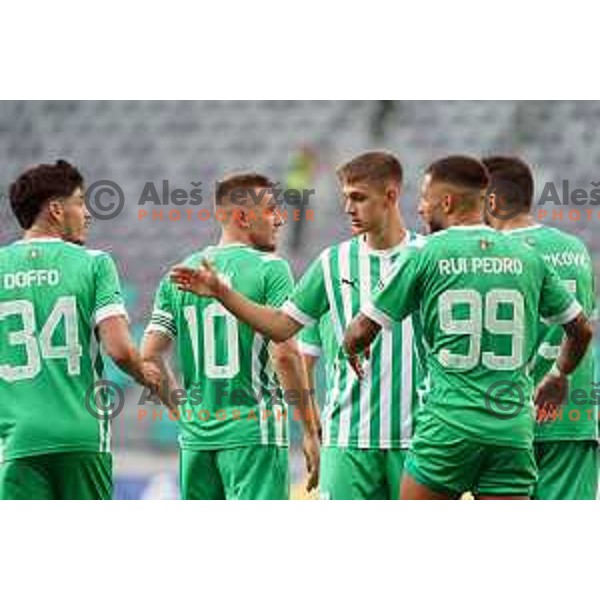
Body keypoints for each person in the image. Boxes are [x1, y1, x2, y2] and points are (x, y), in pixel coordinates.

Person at [171, 152, 426, 500]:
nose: (349, 207)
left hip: (417, 438)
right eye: (346, 197)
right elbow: (281, 328)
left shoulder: (428, 256)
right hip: (346, 440)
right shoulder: (332, 262)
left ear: (391, 196)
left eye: (359, 198)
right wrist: (221, 292)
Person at [343, 155, 593, 500]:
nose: (419, 208)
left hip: (447, 428)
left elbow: (359, 330)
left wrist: (351, 348)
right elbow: (582, 329)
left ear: (445, 202)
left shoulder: (424, 253)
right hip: (511, 431)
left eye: (424, 198)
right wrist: (559, 375)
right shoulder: (526, 256)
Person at [142, 172, 320, 500]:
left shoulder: (182, 272)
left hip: (197, 439)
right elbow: (285, 354)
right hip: (254, 433)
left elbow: (150, 356)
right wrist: (310, 430)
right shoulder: (271, 268)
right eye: (270, 210)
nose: (280, 219)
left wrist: (184, 412)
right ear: (242, 217)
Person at [0, 160, 159, 500]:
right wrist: (144, 373)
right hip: (80, 435)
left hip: (17, 440)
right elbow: (118, 349)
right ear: (56, 210)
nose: (87, 213)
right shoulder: (93, 263)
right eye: (80, 202)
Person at [483, 155, 598, 500]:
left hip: (507, 418)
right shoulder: (575, 249)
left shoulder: (491, 254)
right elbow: (581, 324)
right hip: (571, 418)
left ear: (489, 201)